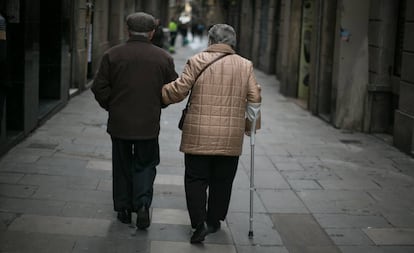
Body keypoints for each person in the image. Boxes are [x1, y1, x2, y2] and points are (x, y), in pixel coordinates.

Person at [161, 24, 261, 243]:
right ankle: (214, 221)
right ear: (232, 42)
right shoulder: (245, 65)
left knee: (196, 178)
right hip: (230, 135)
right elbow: (254, 98)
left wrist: (161, 94)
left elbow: (179, 88)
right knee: (223, 180)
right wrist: (250, 126)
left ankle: (199, 223)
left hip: (198, 132)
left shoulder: (197, 61)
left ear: (210, 40)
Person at [91, 12, 178, 230]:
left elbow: (99, 87)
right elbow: (172, 89)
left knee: (121, 165)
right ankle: (142, 205)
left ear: (127, 30)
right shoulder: (163, 57)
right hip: (148, 124)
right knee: (146, 164)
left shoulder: (112, 55)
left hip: (120, 123)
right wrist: (158, 104)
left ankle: (123, 209)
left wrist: (113, 106)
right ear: (152, 33)